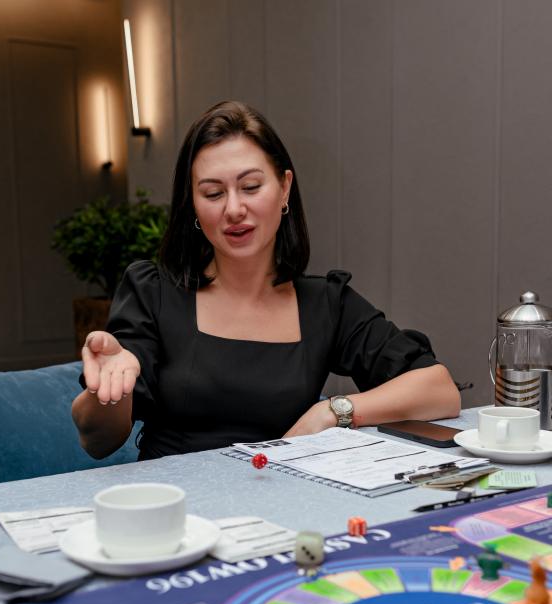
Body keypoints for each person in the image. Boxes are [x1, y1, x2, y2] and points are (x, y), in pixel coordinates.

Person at [72, 101, 460, 460]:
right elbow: (98, 441)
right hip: (178, 503)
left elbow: (439, 390)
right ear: (192, 204)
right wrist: (107, 390)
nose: (234, 209)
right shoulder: (154, 292)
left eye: (251, 187)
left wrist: (332, 411)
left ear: (284, 187)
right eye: (213, 193)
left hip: (282, 498)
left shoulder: (325, 303)